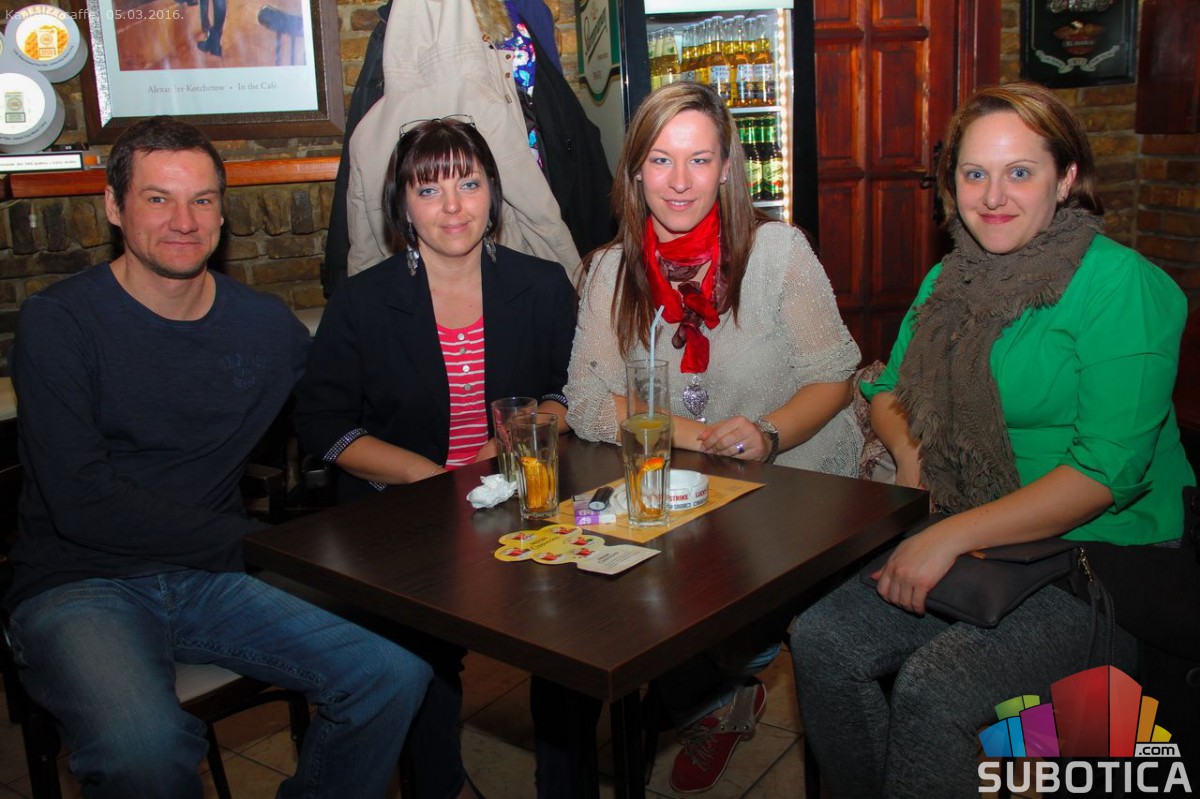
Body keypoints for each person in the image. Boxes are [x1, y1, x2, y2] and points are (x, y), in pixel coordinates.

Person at [3, 116, 433, 799]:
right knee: (144, 750)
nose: (184, 221)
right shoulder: (60, 323)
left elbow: (342, 411)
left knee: (393, 675)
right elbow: (82, 502)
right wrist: (266, 545)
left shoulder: (263, 326)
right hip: (80, 583)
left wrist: (445, 462)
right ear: (113, 207)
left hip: (210, 576)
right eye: (158, 198)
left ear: (222, 212)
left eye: (202, 199)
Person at [789, 82, 1196, 798]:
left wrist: (949, 534)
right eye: (975, 173)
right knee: (821, 641)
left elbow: (1106, 473)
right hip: (982, 533)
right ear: (952, 185)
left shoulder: (1121, 287)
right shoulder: (949, 279)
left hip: (1103, 558)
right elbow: (887, 390)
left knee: (936, 690)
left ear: (1066, 179)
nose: (994, 196)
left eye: (1020, 172)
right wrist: (913, 451)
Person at [564, 81, 863, 793]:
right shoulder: (609, 270)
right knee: (609, 596)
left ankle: (715, 685)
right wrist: (695, 435)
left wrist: (768, 432)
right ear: (635, 170)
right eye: (661, 160)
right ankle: (708, 692)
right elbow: (585, 401)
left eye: (699, 160)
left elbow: (836, 378)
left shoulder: (778, 252)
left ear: (728, 167)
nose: (679, 181)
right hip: (691, 484)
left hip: (798, 475)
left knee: (721, 604)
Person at [293, 116, 575, 798]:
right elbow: (322, 423)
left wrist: (522, 433)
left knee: (572, 640)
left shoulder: (542, 285)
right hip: (401, 517)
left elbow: (571, 391)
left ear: (493, 192)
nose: (453, 206)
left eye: (468, 184)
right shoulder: (362, 301)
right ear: (402, 206)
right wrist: (433, 480)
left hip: (520, 502)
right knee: (419, 662)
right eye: (428, 189)